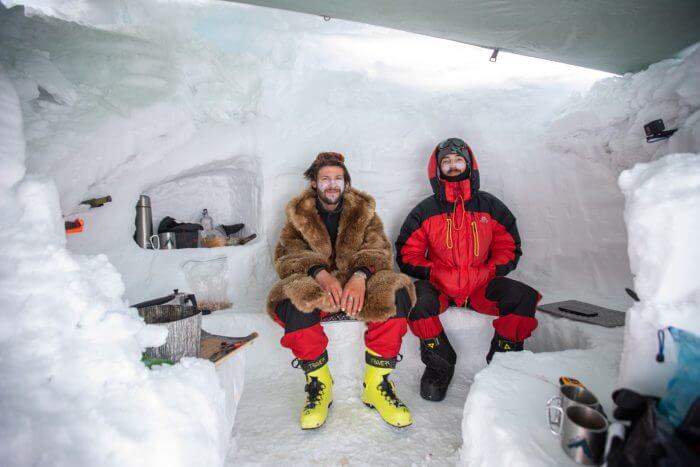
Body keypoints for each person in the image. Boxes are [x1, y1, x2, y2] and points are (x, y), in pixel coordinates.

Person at [267, 152, 416, 429]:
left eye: (338, 178)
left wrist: (359, 276)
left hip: (357, 287)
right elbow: (288, 256)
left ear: (346, 183)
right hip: (320, 289)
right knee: (289, 298)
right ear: (314, 183)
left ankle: (377, 384)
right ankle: (318, 383)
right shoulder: (298, 217)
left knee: (396, 290)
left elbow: (380, 250)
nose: (332, 184)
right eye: (325, 179)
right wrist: (320, 274)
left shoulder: (364, 212)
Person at [395, 138, 540, 402]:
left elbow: (510, 248)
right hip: (440, 287)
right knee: (413, 295)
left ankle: (504, 367)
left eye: (457, 160)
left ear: (469, 164)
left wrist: (487, 271)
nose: (452, 166)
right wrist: (435, 272)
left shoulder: (491, 207)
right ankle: (440, 363)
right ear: (437, 169)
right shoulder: (425, 211)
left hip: (481, 288)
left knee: (523, 297)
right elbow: (407, 253)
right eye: (446, 162)